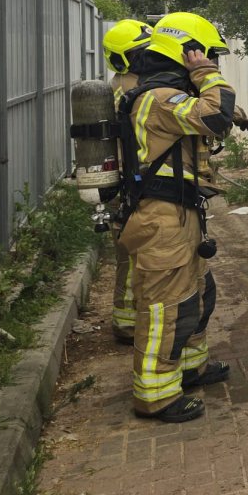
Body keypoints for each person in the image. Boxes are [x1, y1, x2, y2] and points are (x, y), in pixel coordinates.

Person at [117, 12, 234, 422]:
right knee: (165, 306)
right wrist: (206, 74)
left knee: (196, 295)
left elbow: (212, 118)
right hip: (162, 218)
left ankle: (191, 368)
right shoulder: (158, 97)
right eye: (204, 53)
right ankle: (156, 395)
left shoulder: (164, 96)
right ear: (187, 51)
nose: (210, 60)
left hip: (179, 214)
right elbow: (215, 115)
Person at [101, 19, 154, 345]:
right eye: (140, 52)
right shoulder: (132, 88)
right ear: (123, 57)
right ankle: (127, 324)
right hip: (128, 183)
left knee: (128, 255)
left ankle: (127, 319)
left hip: (121, 182)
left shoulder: (116, 86)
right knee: (134, 255)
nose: (146, 56)